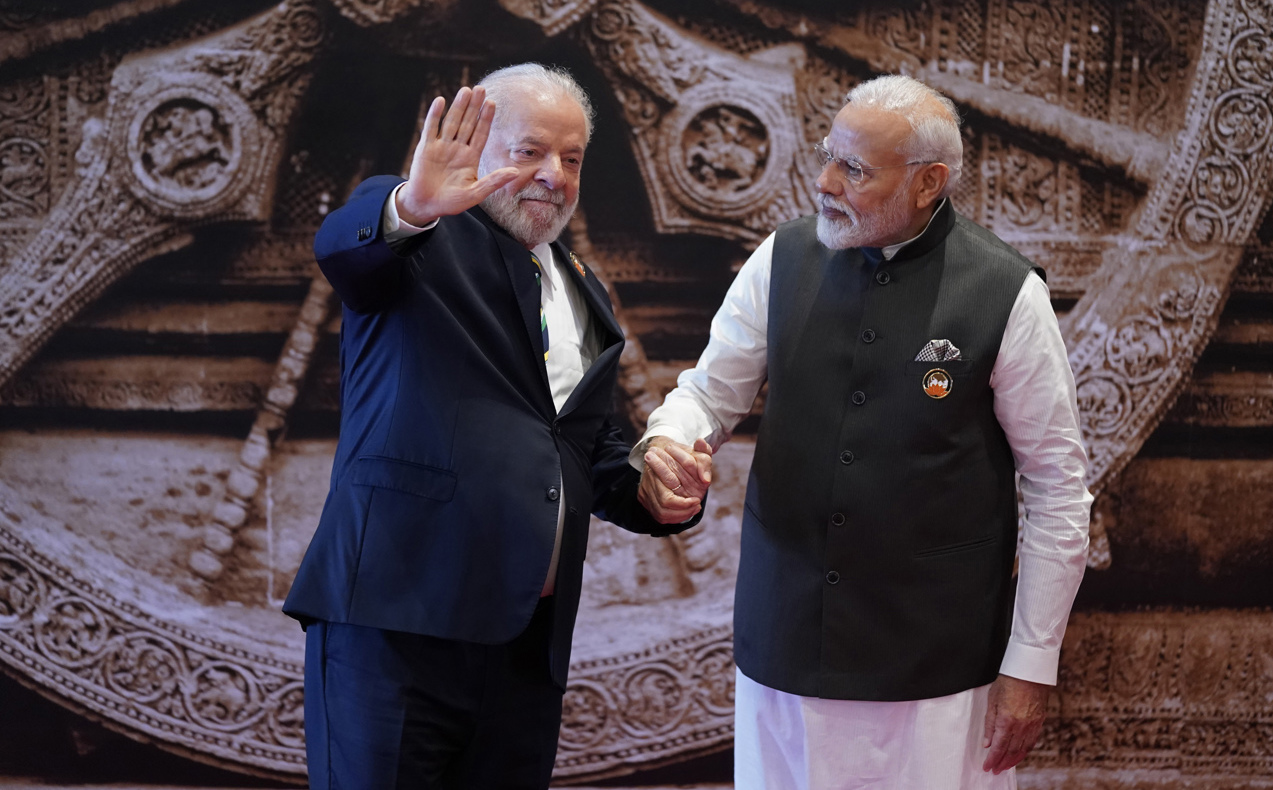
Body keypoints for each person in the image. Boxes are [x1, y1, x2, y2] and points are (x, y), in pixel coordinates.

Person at [637, 74, 1093, 789]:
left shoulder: (1007, 292)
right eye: (828, 157)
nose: (824, 182)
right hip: (785, 645)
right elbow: (707, 391)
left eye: (854, 169)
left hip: (936, 669)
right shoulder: (780, 259)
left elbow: (1059, 489)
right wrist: (669, 439)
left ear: (928, 182)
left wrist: (1031, 665)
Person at [283, 64, 712, 790]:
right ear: (477, 149)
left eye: (571, 159)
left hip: (524, 652)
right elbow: (346, 252)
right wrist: (412, 206)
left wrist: (652, 488)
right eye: (529, 152)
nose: (553, 176)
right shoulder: (417, 233)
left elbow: (581, 446)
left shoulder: (582, 287)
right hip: (397, 626)